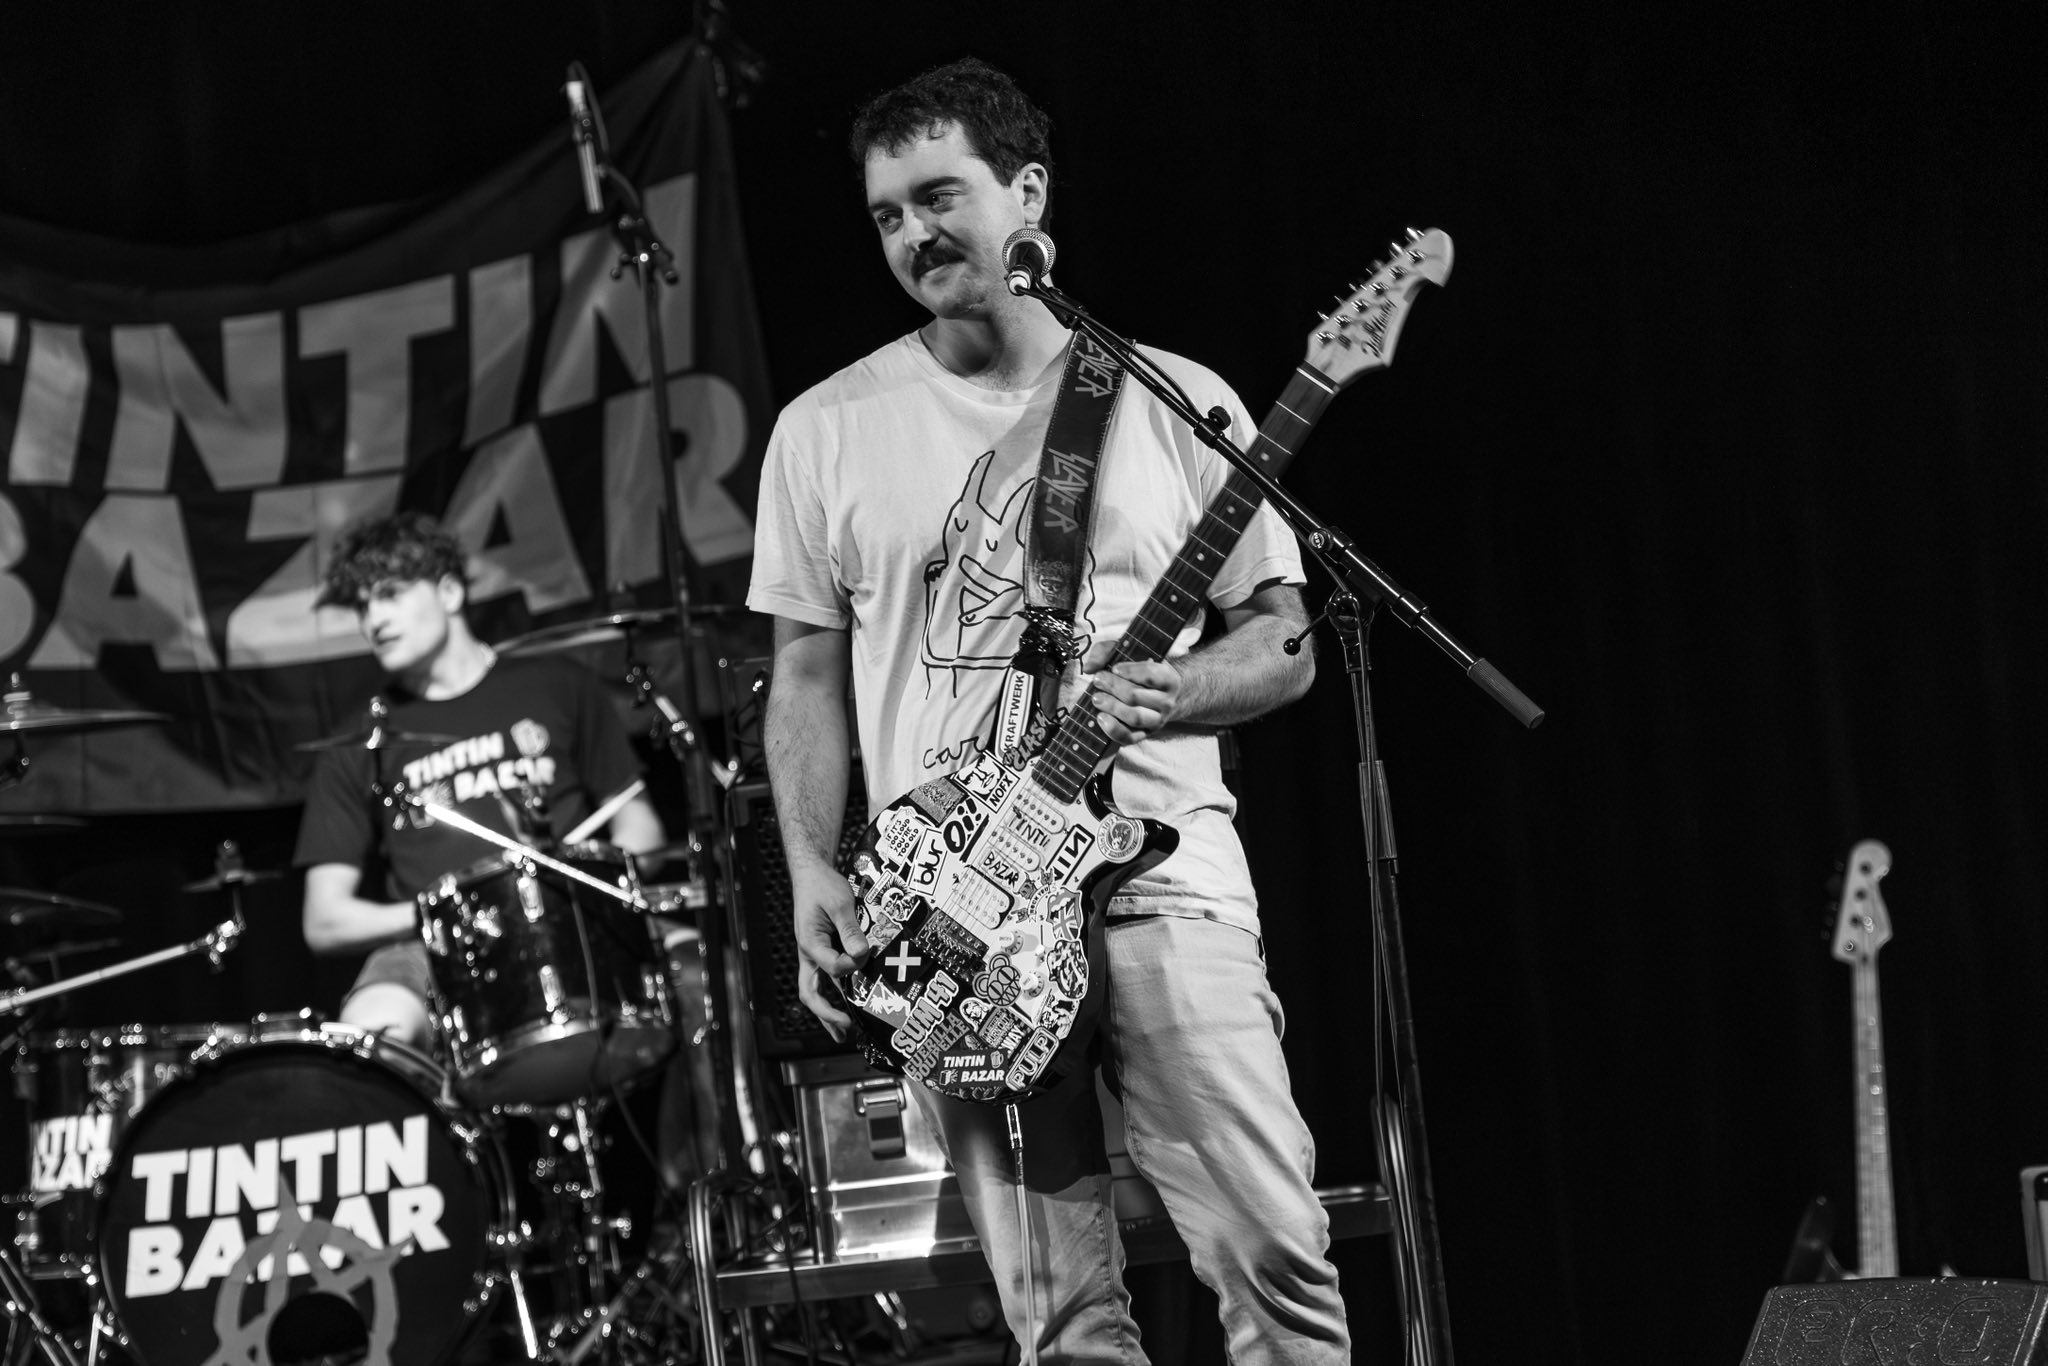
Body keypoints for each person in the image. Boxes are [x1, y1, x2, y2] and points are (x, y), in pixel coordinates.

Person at [749, 57, 1350, 1364]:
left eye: (939, 196)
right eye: (887, 214)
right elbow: (802, 677)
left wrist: (1179, 686)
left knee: (1275, 1260)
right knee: (1061, 1320)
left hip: (1162, 873)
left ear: (1027, 192)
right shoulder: (821, 430)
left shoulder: (1175, 398)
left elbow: (1284, 639)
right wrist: (809, 868)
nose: (912, 235)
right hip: (958, 921)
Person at [294, 510, 665, 1050]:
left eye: (391, 594)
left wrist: (578, 883)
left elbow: (643, 832)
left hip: (579, 918)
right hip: (433, 947)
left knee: (705, 977)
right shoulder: (359, 743)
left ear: (449, 592)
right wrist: (450, 912)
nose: (373, 619)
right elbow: (325, 921)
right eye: (362, 605)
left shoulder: (558, 686)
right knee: (370, 1033)